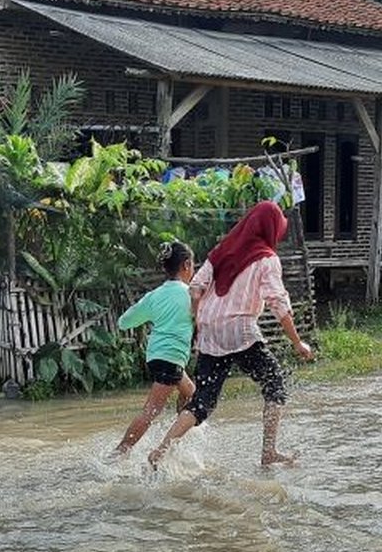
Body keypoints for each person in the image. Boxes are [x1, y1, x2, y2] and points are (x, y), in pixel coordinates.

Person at [147, 201, 314, 469]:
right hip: (240, 331)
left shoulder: (220, 251)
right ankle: (268, 452)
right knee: (275, 387)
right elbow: (277, 302)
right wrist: (297, 342)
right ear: (270, 228)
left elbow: (196, 288)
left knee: (203, 400)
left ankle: (161, 449)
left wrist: (199, 322)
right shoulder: (267, 259)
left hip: (211, 332)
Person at [110, 241, 197, 457]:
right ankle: (122, 452)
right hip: (171, 357)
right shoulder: (191, 294)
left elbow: (124, 322)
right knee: (151, 411)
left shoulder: (155, 295)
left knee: (192, 395)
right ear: (186, 265)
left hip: (157, 356)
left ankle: (176, 444)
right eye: (193, 265)